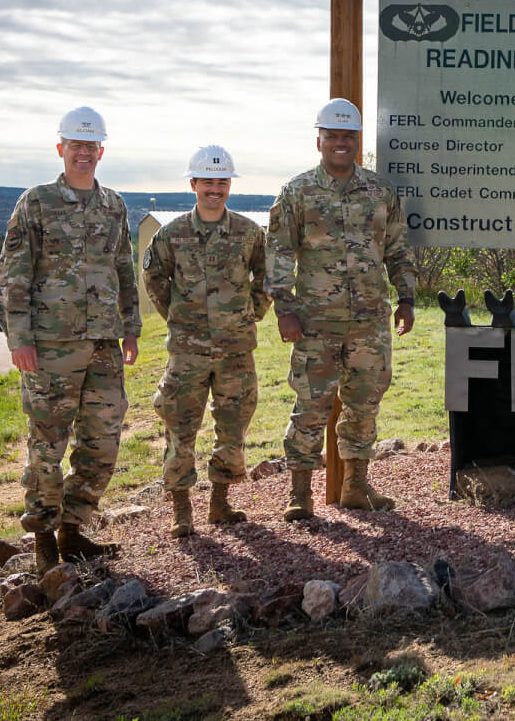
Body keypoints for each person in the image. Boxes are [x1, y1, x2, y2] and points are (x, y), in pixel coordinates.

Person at [0, 106, 139, 572]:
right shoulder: (35, 203)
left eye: (90, 146)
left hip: (103, 345)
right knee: (48, 444)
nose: (83, 153)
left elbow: (123, 269)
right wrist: (19, 338)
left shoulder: (113, 205)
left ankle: (75, 529)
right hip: (50, 346)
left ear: (101, 151)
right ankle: (42, 538)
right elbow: (12, 275)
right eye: (75, 145)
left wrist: (131, 327)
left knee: (104, 440)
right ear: (61, 149)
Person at [267, 98, 416, 520]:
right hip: (315, 320)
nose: (340, 143)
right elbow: (278, 252)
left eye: (348, 136)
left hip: (370, 319)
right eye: (332, 135)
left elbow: (398, 250)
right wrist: (284, 309)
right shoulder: (297, 193)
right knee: (311, 404)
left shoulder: (380, 192)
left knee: (365, 401)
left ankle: (356, 485)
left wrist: (405, 298)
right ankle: (300, 493)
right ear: (319, 141)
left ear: (357, 140)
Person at [141, 145, 271, 537]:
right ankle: (181, 509)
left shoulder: (249, 233)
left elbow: (268, 278)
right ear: (193, 184)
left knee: (232, 428)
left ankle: (220, 502)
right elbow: (154, 280)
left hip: (235, 351)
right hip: (187, 352)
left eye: (222, 182)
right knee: (180, 429)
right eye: (207, 182)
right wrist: (178, 318)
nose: (215, 189)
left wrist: (251, 313)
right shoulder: (172, 234)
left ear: (229, 185)